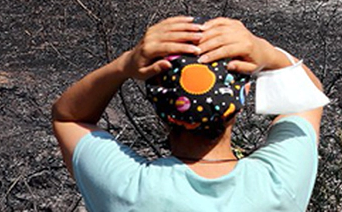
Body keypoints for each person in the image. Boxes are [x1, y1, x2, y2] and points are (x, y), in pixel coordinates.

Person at [51, 16, 326, 211]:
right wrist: (266, 52)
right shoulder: (278, 183)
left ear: (161, 107)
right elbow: (309, 98)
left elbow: (69, 117)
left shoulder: (127, 189)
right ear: (239, 100)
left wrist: (124, 64)